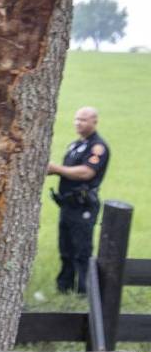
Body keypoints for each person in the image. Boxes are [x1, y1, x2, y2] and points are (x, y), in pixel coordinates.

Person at [48, 106, 110, 294]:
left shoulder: (97, 147)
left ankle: (85, 292)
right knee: (65, 248)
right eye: (76, 119)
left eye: (83, 120)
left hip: (83, 205)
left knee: (82, 250)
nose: (78, 123)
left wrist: (56, 169)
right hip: (67, 204)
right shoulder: (75, 145)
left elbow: (86, 172)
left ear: (94, 121)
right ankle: (63, 287)